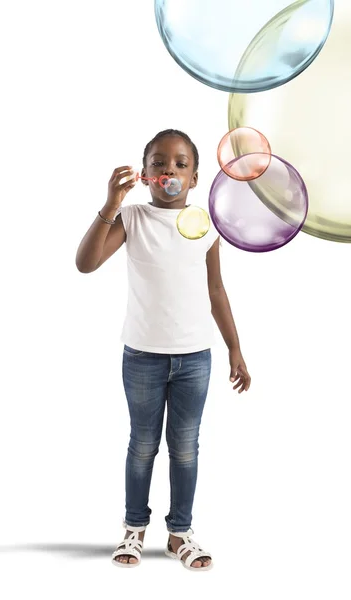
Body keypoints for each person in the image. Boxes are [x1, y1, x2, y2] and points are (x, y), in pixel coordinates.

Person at [75, 129, 251, 571]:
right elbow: (86, 263)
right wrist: (111, 205)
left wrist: (235, 348)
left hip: (195, 358)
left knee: (186, 447)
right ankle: (134, 529)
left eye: (179, 164)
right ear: (145, 173)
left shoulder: (208, 223)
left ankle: (180, 533)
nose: (168, 170)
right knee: (143, 445)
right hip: (142, 357)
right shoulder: (131, 218)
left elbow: (216, 288)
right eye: (158, 162)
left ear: (194, 177)